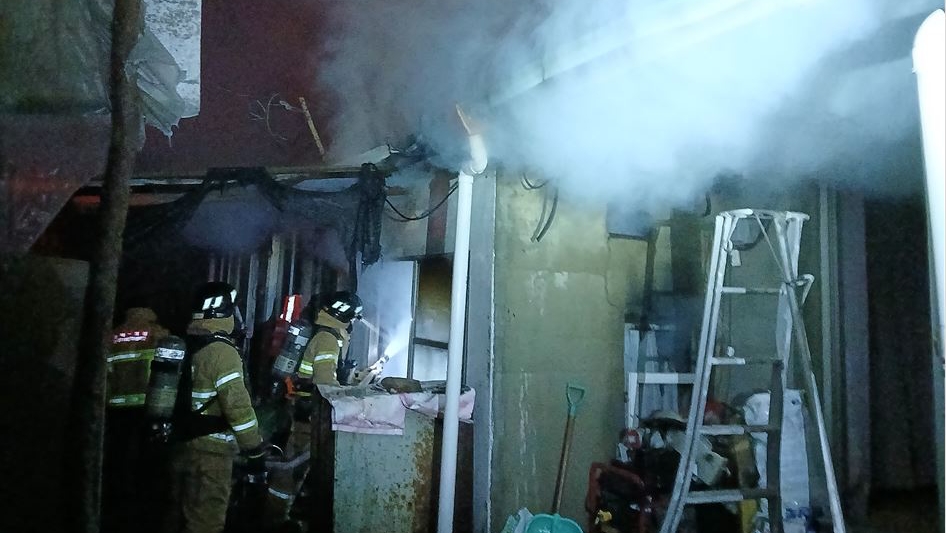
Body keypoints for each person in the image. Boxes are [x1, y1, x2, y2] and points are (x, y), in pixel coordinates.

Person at [163, 282, 265, 533]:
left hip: (180, 445)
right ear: (222, 311)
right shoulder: (222, 351)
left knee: (177, 518)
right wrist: (254, 450)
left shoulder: (186, 343)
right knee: (206, 523)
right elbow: (238, 408)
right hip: (211, 455)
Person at [263, 291, 362, 531]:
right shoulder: (328, 338)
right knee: (293, 467)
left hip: (303, 408)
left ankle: (280, 514)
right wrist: (348, 397)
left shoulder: (326, 332)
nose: (353, 323)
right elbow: (325, 382)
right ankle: (275, 519)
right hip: (308, 414)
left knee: (295, 466)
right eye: (353, 317)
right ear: (344, 314)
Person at [104, 306, 170, 533]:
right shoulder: (159, 334)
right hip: (147, 406)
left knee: (118, 455)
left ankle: (116, 498)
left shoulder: (113, 334)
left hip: (116, 406)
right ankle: (141, 502)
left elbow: (107, 372)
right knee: (145, 458)